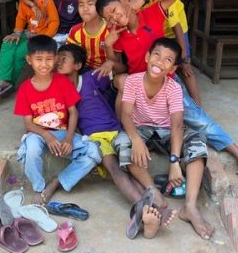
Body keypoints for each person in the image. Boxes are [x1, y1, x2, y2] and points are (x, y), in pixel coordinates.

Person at [96, 0, 238, 185]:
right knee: (130, 128)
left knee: (200, 121)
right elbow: (120, 67)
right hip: (141, 88)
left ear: (123, 0)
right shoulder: (116, 34)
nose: (114, 18)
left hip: (167, 84)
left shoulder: (150, 13)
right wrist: (109, 47)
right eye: (109, 17)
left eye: (115, 10)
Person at [56, 43, 177, 238]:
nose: (58, 62)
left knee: (128, 163)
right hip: (94, 138)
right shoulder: (59, 89)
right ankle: (148, 211)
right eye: (57, 58)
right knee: (114, 169)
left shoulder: (90, 78)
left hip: (115, 129)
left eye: (63, 58)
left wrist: (111, 63)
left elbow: (122, 76)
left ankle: (150, 206)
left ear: (78, 65)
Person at [116, 37, 213, 239]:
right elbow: (125, 115)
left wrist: (174, 161)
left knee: (197, 139)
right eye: (157, 55)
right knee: (121, 142)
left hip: (168, 132)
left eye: (167, 60)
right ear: (147, 56)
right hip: (141, 129)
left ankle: (190, 207)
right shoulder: (133, 81)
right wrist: (135, 140)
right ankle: (153, 190)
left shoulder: (174, 88)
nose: (160, 62)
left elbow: (177, 124)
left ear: (173, 68)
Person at [14, 35, 101, 204]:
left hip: (62, 133)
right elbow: (28, 123)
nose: (44, 64)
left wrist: (68, 137)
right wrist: (47, 136)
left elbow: (73, 112)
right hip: (38, 134)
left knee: (93, 153)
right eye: (39, 59)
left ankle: (58, 181)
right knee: (30, 151)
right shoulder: (24, 89)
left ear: (55, 59)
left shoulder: (62, 82)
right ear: (29, 60)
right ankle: (39, 187)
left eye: (49, 59)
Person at [122, 0, 201, 106]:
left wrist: (184, 59)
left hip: (172, 31)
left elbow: (176, 28)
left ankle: (197, 103)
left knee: (185, 68)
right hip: (152, 30)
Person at [0, 0, 60, 99]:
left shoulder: (46, 0)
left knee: (20, 52)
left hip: (40, 36)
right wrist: (16, 34)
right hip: (27, 33)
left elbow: (54, 21)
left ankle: (11, 82)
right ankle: (4, 80)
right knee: (7, 43)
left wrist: (44, 38)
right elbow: (21, 18)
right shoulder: (24, 1)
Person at [67, 0, 110, 71]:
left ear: (100, 5)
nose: (85, 9)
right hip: (83, 70)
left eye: (90, 4)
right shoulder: (75, 31)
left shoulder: (110, 30)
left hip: (106, 71)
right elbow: (71, 55)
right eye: (81, 5)